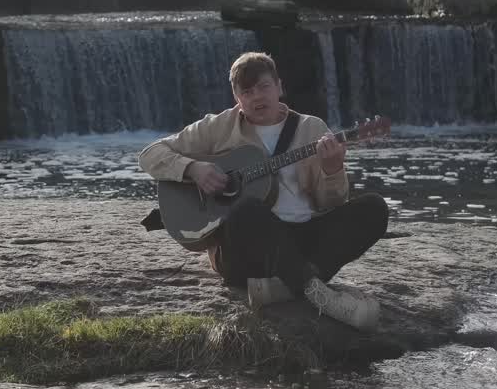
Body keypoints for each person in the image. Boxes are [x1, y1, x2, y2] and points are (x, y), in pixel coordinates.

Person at [138, 51, 389, 331]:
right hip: (244, 253)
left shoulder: (312, 129)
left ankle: (284, 287)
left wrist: (333, 168)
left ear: (280, 87)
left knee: (374, 208)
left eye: (264, 87)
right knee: (246, 209)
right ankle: (321, 295)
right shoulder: (219, 126)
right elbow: (150, 154)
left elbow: (332, 202)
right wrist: (193, 169)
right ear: (236, 97)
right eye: (247, 91)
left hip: (301, 240)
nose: (257, 96)